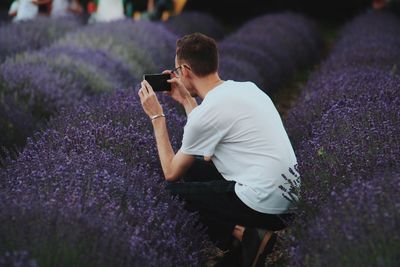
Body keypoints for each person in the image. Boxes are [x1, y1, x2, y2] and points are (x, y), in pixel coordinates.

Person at [138, 33, 300, 267]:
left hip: (263, 204)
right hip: (288, 200)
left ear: (184, 70)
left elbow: (171, 173)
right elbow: (205, 151)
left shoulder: (208, 113)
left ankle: (244, 234)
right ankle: (242, 245)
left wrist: (156, 116)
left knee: (169, 193)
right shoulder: (247, 88)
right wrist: (186, 100)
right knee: (193, 169)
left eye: (175, 71)